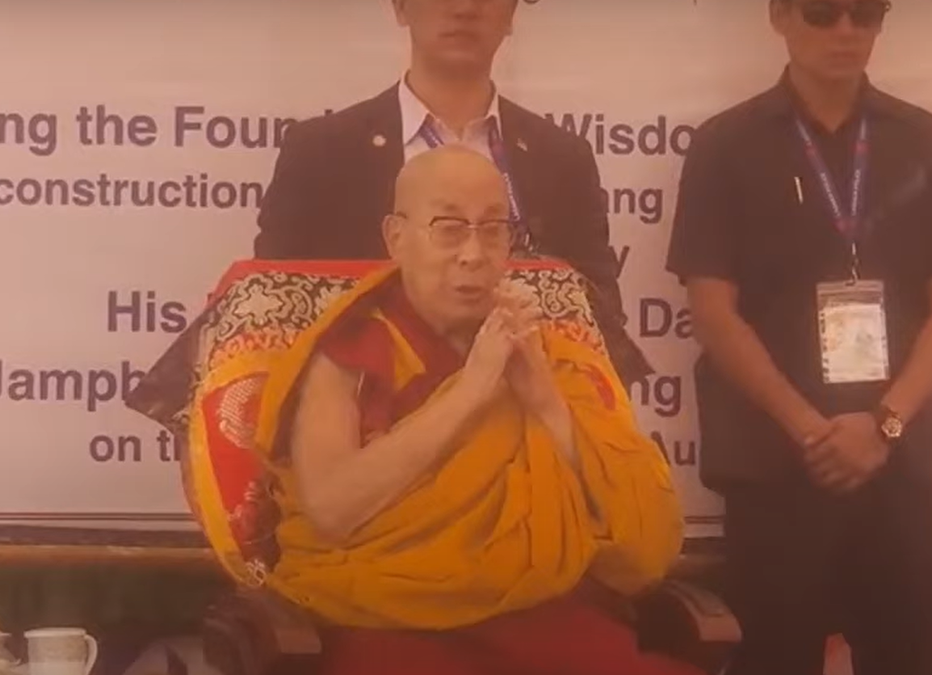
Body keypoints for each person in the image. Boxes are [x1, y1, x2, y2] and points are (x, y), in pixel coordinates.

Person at [253, 145, 693, 675]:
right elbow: (331, 508)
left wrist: (544, 402)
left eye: (493, 229)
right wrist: (472, 390)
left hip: (539, 609)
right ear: (396, 238)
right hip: (393, 619)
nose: (473, 253)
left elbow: (641, 534)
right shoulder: (350, 354)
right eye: (449, 228)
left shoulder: (542, 348)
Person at [666, 1, 932, 674]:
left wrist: (886, 423)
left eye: (865, 13)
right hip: (776, 461)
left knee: (907, 653)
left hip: (900, 461)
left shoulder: (922, 138)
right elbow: (713, 311)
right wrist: (813, 429)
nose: (845, 31)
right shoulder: (725, 144)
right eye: (822, 12)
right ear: (780, 17)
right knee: (775, 657)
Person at [253, 0, 651, 386]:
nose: (465, 7)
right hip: (361, 425)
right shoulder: (321, 152)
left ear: (512, 13)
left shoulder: (562, 159)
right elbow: (274, 314)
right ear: (400, 6)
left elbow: (600, 323)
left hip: (519, 425)